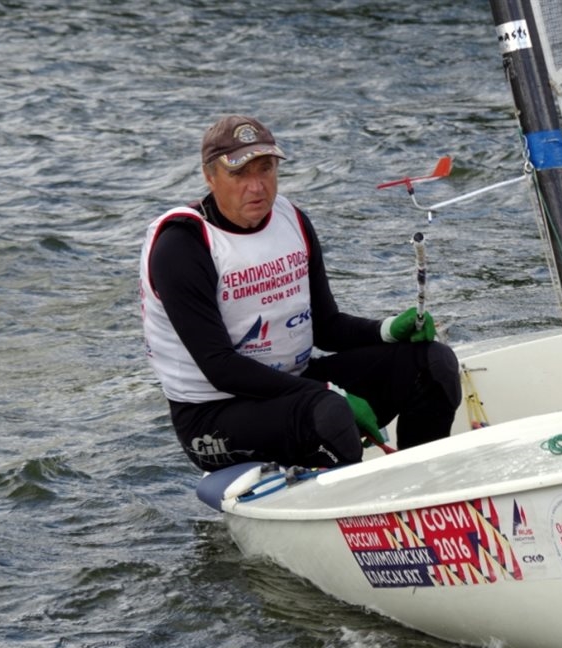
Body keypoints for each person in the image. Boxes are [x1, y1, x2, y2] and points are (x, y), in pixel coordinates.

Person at [140, 114, 461, 473]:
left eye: (265, 169)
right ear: (209, 177)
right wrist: (327, 391)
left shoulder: (291, 219)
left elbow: (326, 327)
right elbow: (220, 368)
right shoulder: (182, 246)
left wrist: (386, 330)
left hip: (294, 383)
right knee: (330, 414)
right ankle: (353, 497)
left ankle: (426, 483)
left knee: (433, 363)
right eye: (239, 173)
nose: (257, 187)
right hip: (213, 413)